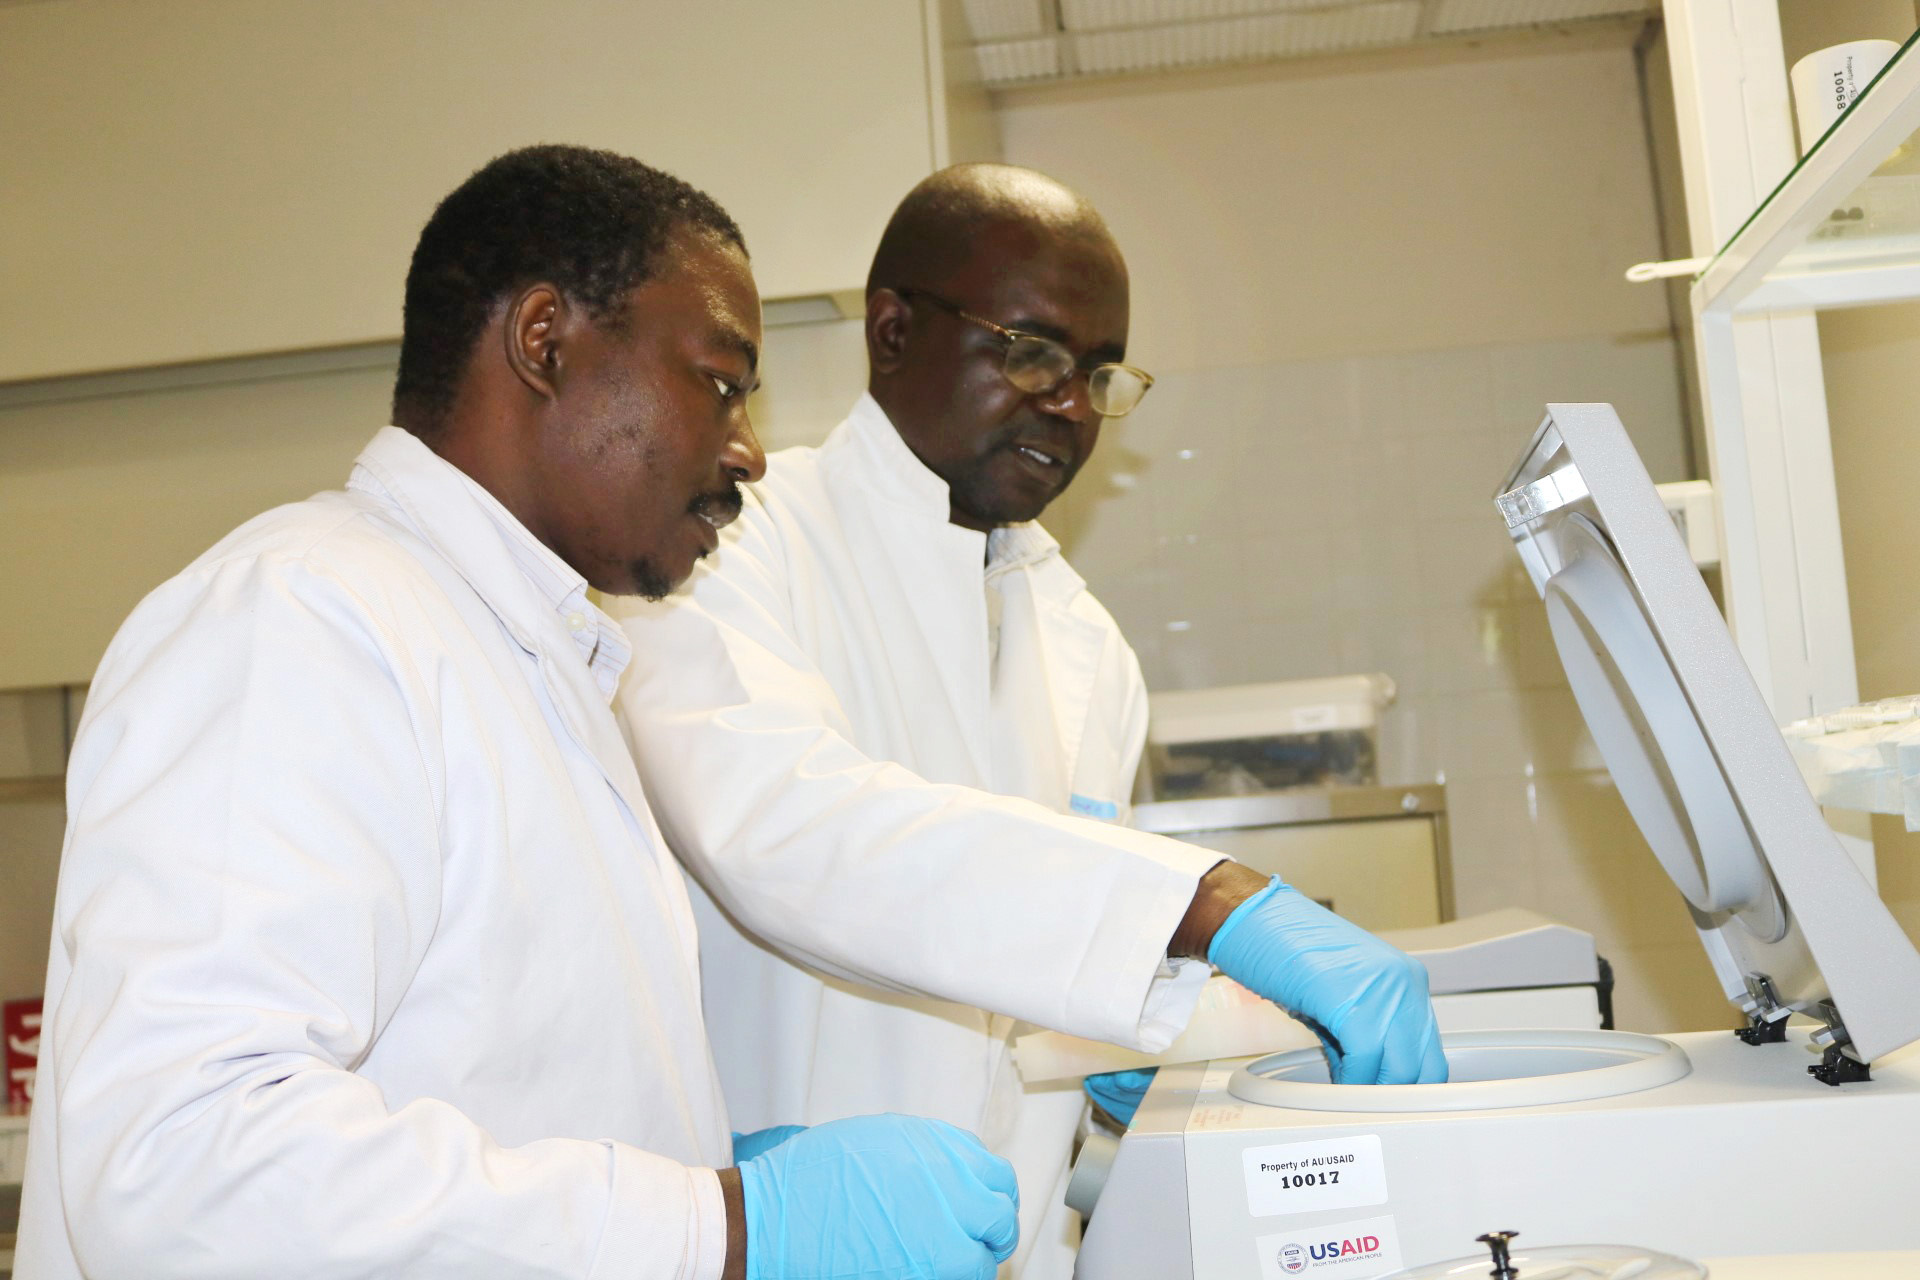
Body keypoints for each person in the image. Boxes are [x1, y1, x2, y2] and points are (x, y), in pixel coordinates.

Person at [16, 146, 1036, 1280]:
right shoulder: (300, 617)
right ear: (545, 340)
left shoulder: (531, 655)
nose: (747, 447)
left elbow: (492, 1082)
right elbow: (184, 1168)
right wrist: (730, 1226)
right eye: (721, 380)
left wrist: (698, 1157)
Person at [612, 164, 1448, 1280]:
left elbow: (1042, 937)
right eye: (1034, 352)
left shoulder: (1087, 644)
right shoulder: (731, 546)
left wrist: (1149, 1036)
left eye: (1099, 374)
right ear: (895, 330)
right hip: (791, 1241)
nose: (1068, 401)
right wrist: (1198, 901)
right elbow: (791, 828)